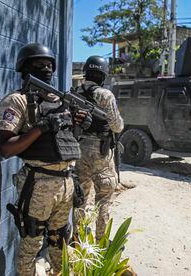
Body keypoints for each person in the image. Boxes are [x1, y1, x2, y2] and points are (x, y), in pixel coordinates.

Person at [0, 43, 87, 275]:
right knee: (32, 244)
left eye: (49, 65)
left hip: (67, 181)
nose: (46, 69)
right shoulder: (17, 101)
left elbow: (65, 144)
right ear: (25, 68)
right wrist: (40, 127)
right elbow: (6, 148)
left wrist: (78, 125)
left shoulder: (59, 101)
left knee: (60, 240)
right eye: (39, 64)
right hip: (39, 184)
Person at [74, 56, 124, 241]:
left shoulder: (75, 92)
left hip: (78, 149)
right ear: (103, 75)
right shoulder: (105, 95)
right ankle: (101, 241)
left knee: (81, 196)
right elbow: (117, 126)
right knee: (104, 197)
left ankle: (79, 239)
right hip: (100, 151)